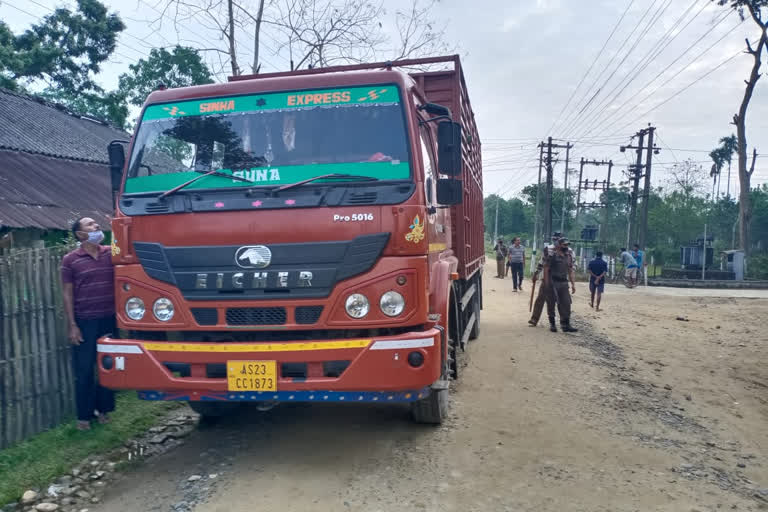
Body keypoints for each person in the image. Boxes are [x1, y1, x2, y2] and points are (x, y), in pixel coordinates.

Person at [61, 217, 116, 431]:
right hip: (85, 321)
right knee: (84, 369)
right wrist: (72, 325)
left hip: (109, 318)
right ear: (80, 234)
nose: (96, 227)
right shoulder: (70, 260)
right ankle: (84, 416)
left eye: (95, 224)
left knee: (108, 367)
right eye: (90, 225)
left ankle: (104, 411)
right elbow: (67, 292)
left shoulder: (111, 253)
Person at [543, 237, 578, 333]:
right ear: (559, 245)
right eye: (564, 245)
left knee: (566, 303)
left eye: (567, 245)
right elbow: (546, 269)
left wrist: (573, 284)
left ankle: (566, 325)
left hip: (564, 282)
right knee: (551, 303)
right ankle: (552, 324)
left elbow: (570, 271)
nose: (566, 247)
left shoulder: (569, 256)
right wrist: (546, 284)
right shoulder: (553, 255)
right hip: (553, 282)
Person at [528, 232, 563, 329]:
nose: (556, 241)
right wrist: (536, 273)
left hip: (559, 281)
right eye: (554, 239)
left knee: (553, 302)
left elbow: (571, 265)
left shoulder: (567, 250)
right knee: (540, 299)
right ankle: (534, 319)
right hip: (547, 279)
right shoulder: (548, 249)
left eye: (557, 239)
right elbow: (542, 262)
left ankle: (555, 323)